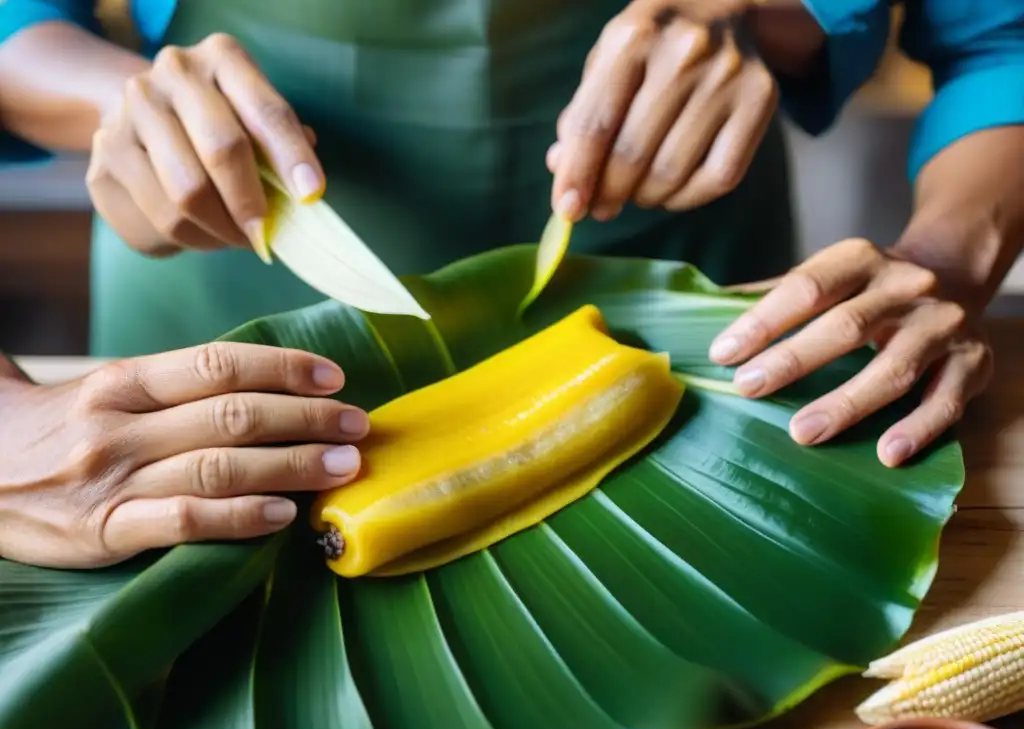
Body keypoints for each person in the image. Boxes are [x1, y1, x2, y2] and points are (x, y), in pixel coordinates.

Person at [0, 0, 1020, 568]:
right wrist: (117, 107)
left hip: (689, 326)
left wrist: (949, 255)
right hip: (215, 311)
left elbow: (996, 38)